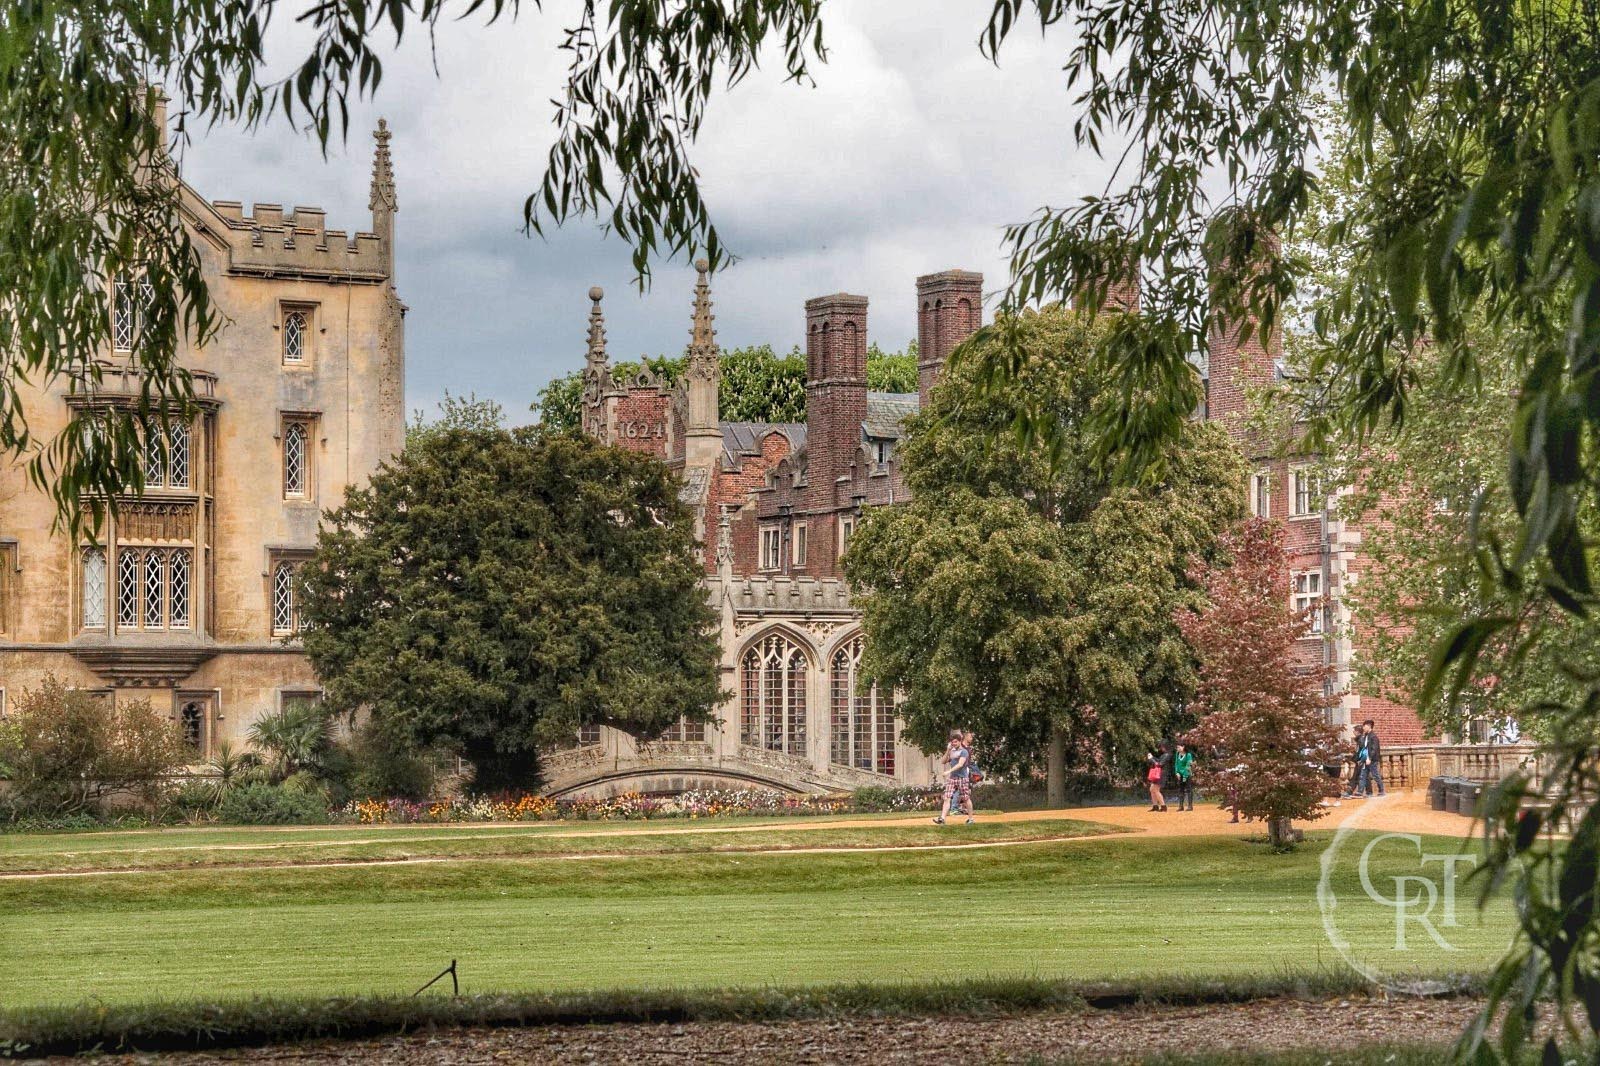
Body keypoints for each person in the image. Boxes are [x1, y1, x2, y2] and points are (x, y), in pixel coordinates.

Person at [934, 729, 974, 825]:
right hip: (952, 778)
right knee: (947, 797)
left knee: (966, 798)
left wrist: (949, 771)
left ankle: (971, 819)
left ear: (960, 741)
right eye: (952, 742)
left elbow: (960, 764)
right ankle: (942, 819)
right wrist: (948, 750)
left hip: (962, 778)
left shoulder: (964, 752)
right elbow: (943, 761)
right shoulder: (951, 751)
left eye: (955, 742)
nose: (954, 744)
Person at [1343, 726, 1370, 798]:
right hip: (1361, 761)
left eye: (1354, 731)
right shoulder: (1360, 739)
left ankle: (1350, 791)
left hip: (1361, 761)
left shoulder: (1361, 740)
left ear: (1357, 732)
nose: (1353, 732)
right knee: (1362, 776)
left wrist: (1360, 760)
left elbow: (1363, 751)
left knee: (1356, 777)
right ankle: (1368, 792)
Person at [1361, 720, 1386, 796]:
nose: (1363, 728)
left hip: (1372, 760)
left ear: (1369, 726)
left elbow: (1374, 749)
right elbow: (1365, 748)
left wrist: (1370, 758)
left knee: (1375, 775)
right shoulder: (1366, 736)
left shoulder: (1373, 737)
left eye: (1364, 726)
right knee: (1364, 775)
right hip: (1366, 759)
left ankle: (1381, 790)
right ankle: (1365, 792)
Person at [1171, 742, 1195, 812]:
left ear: (1183, 747)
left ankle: (1190, 806)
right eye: (1177, 747)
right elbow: (1176, 764)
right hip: (1180, 774)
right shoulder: (1177, 754)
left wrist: (1183, 774)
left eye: (1179, 747)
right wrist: (1177, 772)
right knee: (1181, 789)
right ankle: (1181, 806)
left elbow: (1188, 765)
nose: (1177, 749)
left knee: (1188, 789)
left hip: (1187, 774)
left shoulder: (1188, 755)